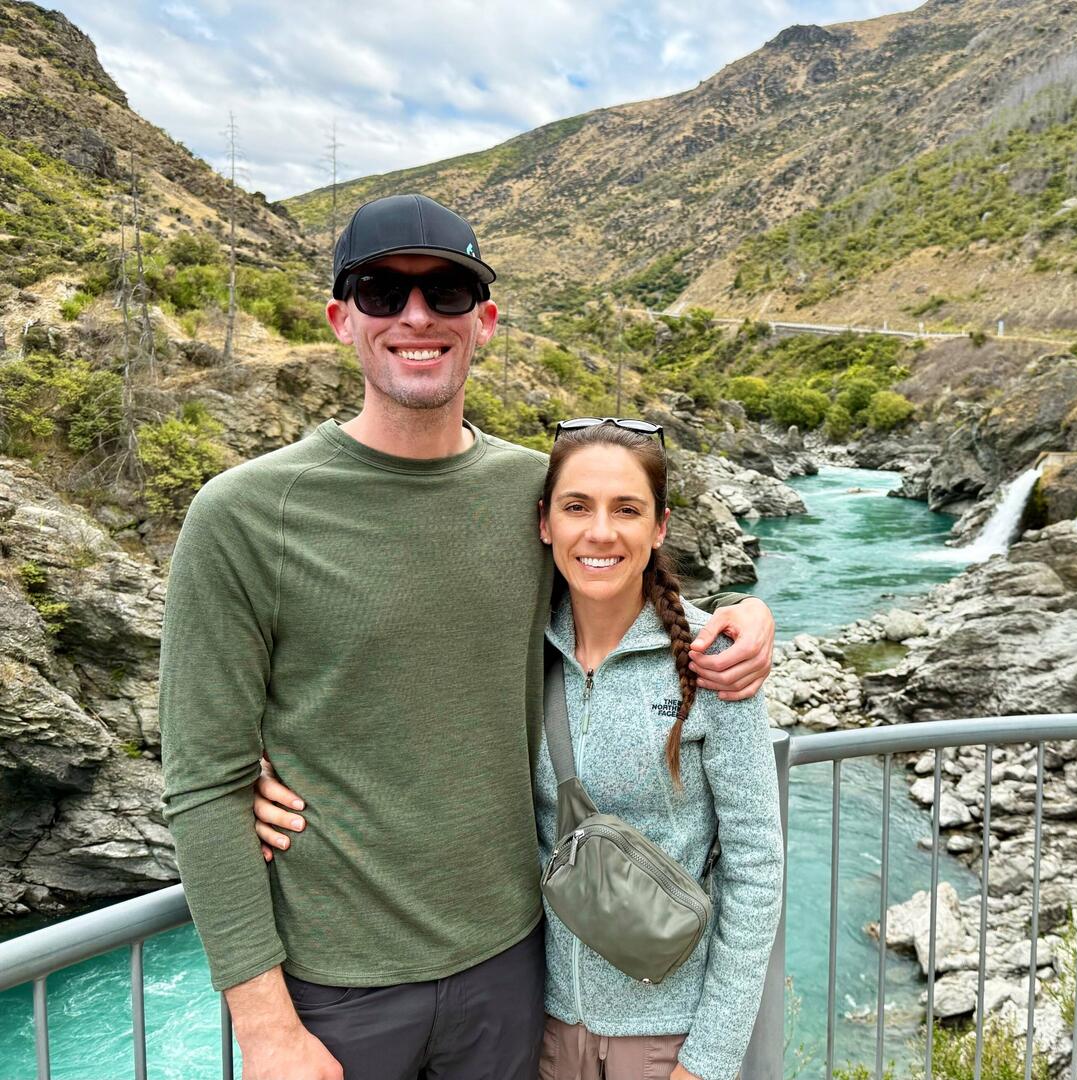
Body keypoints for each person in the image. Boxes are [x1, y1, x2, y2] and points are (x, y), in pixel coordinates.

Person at [159, 193, 776, 1080]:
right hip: (336, 989)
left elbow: (623, 591)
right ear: (342, 319)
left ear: (483, 322)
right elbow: (202, 783)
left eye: (447, 291)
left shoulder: (533, 496)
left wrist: (749, 621)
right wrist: (265, 1029)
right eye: (382, 291)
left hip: (514, 972)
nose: (417, 315)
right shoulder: (243, 516)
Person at [257, 419, 785, 1080]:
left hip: (668, 1040)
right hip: (540, 1026)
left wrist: (708, 1059)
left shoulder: (713, 663)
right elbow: (391, 699)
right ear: (545, 524)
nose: (600, 532)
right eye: (576, 507)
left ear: (659, 527)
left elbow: (756, 868)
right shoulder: (512, 648)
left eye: (627, 510)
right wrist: (262, 762)